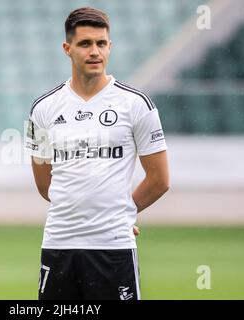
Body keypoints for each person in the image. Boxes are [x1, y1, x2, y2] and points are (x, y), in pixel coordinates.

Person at [25, 7, 170, 300]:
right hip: (58, 245)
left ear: (110, 47)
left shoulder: (136, 104)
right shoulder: (42, 109)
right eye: (85, 44)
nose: (95, 52)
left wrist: (124, 211)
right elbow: (45, 184)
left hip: (113, 247)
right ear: (67, 48)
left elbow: (160, 179)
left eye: (101, 43)